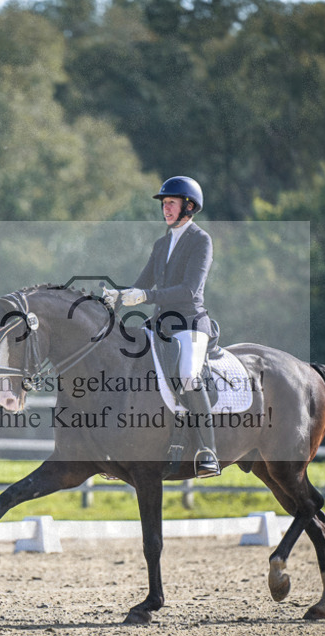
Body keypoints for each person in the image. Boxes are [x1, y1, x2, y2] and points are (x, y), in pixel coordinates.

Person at [105, 176, 220, 478]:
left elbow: (189, 290)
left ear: (189, 206)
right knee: (124, 363)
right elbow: (142, 283)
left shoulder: (201, 240)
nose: (166, 208)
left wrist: (147, 296)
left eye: (171, 203)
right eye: (164, 204)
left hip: (190, 323)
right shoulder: (161, 244)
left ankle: (208, 451)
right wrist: (116, 298)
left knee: (189, 375)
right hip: (159, 326)